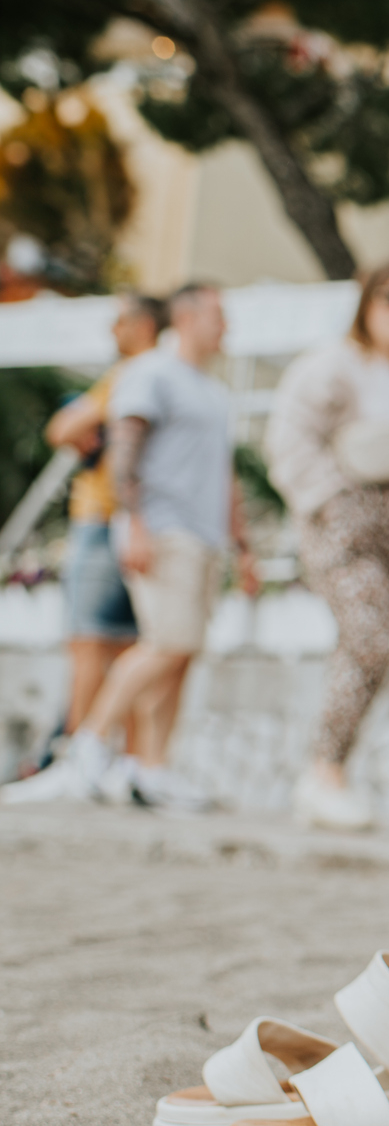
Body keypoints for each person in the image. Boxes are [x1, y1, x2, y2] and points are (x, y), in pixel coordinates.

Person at [19, 284, 255, 812]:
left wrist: (242, 544)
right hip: (163, 530)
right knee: (165, 642)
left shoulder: (214, 392)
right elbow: (125, 446)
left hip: (204, 537)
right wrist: (133, 522)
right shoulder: (151, 372)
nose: (227, 325)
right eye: (219, 313)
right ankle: (86, 748)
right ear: (188, 316)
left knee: (182, 653)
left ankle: (152, 768)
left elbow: (223, 471)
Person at [266, 262, 389, 831]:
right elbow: (289, 436)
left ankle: (328, 772)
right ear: (366, 302)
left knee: (374, 651)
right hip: (345, 521)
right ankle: (324, 772)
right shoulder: (334, 366)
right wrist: (327, 498)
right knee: (366, 640)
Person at [20, 295, 170, 787]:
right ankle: (125, 765)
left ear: (143, 325)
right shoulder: (165, 375)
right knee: (129, 647)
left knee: (88, 645)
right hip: (145, 525)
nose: (112, 330)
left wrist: (88, 435)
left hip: (103, 520)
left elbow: (61, 428)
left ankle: (74, 762)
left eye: (121, 320)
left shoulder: (129, 375)